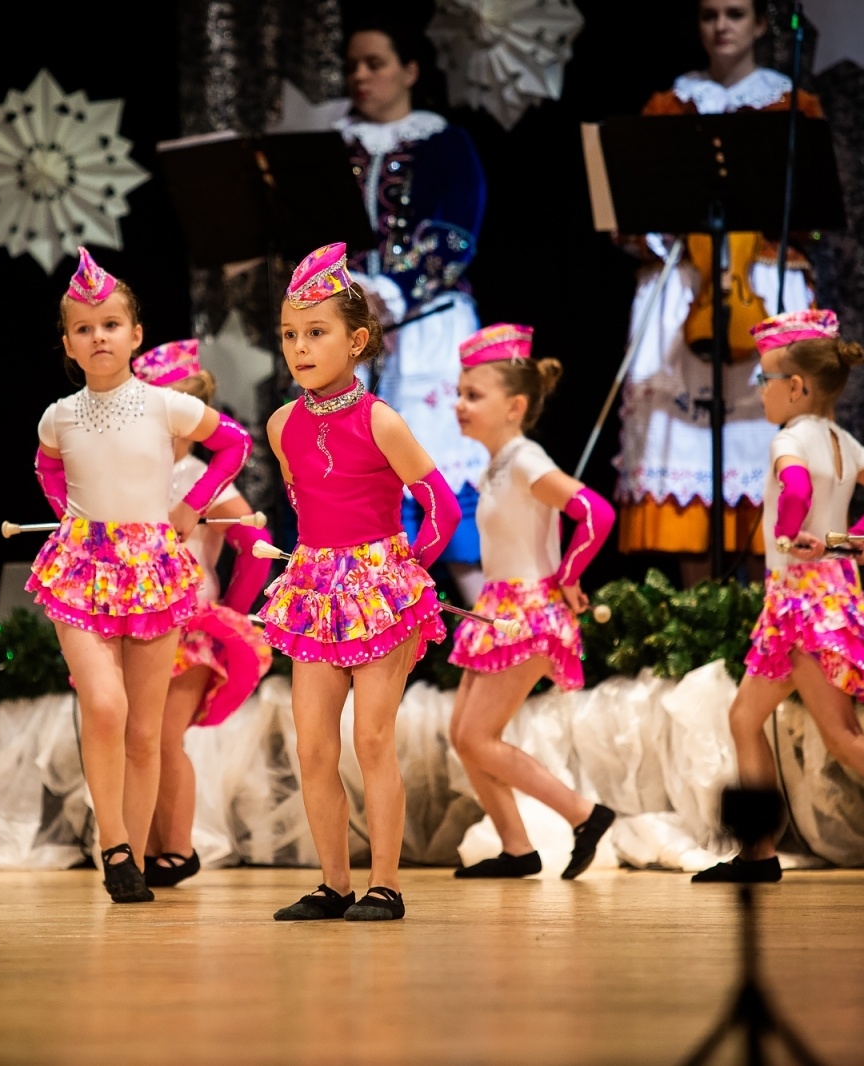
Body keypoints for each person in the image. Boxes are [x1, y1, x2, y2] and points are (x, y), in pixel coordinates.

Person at [690, 310, 864, 885]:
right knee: (748, 716)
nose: (758, 392)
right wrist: (856, 536)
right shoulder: (840, 439)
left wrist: (789, 532)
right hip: (818, 596)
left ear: (797, 387)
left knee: (839, 735)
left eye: (764, 380)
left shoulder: (791, 438)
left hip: (803, 603)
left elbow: (797, 485)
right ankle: (757, 852)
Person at [30, 251, 252, 903]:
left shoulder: (165, 407)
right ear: (68, 344)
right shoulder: (58, 416)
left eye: (111, 323)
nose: (98, 336)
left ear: (135, 334)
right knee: (104, 703)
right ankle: (116, 844)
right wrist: (69, 517)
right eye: (84, 328)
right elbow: (48, 468)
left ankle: (138, 853)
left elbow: (234, 444)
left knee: (145, 729)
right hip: (79, 568)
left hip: (151, 568)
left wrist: (188, 508)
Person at [262, 242, 460, 922]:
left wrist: (412, 571)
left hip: (379, 590)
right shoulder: (282, 425)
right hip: (316, 588)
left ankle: (386, 884)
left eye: (315, 333)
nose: (300, 347)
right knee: (313, 745)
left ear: (358, 340)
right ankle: (333, 883)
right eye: (290, 335)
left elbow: (442, 506)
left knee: (372, 739)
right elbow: (303, 505)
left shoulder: (382, 420)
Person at [613, 0, 823, 586]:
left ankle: (767, 620)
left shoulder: (791, 105)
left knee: (765, 445)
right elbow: (636, 215)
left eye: (735, 13)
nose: (721, 26)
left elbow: (811, 216)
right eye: (708, 14)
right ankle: (698, 615)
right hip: (685, 284)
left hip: (761, 279)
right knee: (684, 453)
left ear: (760, 23)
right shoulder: (668, 106)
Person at [446, 324, 618, 880]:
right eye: (460, 392)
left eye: (474, 395)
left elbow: (595, 511)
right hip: (500, 606)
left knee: (476, 737)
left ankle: (585, 814)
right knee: (465, 738)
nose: (459, 404)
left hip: (528, 611)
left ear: (515, 405)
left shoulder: (525, 458)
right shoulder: (498, 463)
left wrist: (569, 575)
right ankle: (517, 848)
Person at [339, 20, 489, 603]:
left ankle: (485, 634)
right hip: (353, 325)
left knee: (436, 468)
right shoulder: (337, 145)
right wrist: (353, 292)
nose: (360, 76)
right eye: (353, 65)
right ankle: (378, 629)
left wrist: (391, 292)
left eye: (374, 63)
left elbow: (455, 234)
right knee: (364, 476)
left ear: (409, 71)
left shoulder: (444, 143)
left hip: (427, 325)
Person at [130, 339, 274, 888]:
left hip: (190, 626)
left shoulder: (200, 480)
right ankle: (139, 845)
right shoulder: (138, 474)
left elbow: (254, 542)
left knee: (166, 739)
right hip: (139, 620)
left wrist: (228, 614)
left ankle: (179, 848)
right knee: (137, 737)